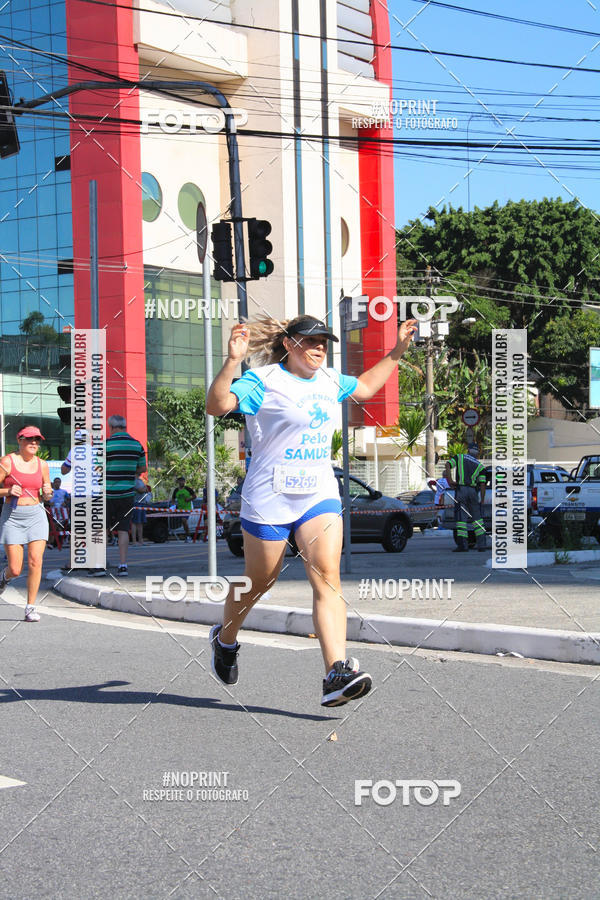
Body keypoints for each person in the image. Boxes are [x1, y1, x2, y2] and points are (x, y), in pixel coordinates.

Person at [206, 313, 417, 707]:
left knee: (327, 577)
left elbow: (368, 386)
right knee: (259, 582)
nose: (320, 347)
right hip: (270, 495)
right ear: (290, 344)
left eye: (325, 341)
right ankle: (225, 638)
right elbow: (217, 406)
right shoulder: (264, 380)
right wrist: (233, 360)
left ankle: (335, 671)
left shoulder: (329, 379)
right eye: (312, 340)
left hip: (317, 493)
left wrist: (397, 351)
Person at [0, 426, 53, 621]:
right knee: (15, 568)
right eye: (29, 439)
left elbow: (47, 493)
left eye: (37, 440)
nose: (34, 443)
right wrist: (7, 491)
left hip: (36, 515)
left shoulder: (42, 465)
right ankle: (4, 577)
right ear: (19, 440)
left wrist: (48, 493)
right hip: (13, 516)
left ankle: (30, 607)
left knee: (35, 561)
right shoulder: (7, 462)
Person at [106, 415, 147, 575]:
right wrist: (128, 471)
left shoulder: (106, 445)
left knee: (103, 529)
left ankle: (99, 564)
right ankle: (123, 565)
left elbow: (97, 468)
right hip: (127, 494)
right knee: (123, 529)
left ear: (112, 428)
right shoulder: (137, 445)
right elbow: (142, 468)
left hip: (108, 494)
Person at [444, 443, 487, 552]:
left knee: (461, 520)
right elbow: (482, 484)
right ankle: (482, 545)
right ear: (477, 452)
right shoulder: (480, 466)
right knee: (478, 520)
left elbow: (448, 465)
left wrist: (450, 481)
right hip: (473, 492)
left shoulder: (460, 457)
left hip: (461, 490)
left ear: (468, 450)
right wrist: (482, 499)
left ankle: (463, 546)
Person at [171, 476, 197, 542]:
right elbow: (173, 498)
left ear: (184, 482)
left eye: (182, 481)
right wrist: (173, 505)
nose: (181, 482)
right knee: (183, 522)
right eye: (180, 481)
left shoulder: (188, 489)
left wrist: (189, 499)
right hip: (180, 509)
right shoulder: (176, 490)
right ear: (178, 482)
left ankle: (188, 536)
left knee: (184, 520)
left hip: (187, 508)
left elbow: (195, 496)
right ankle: (186, 535)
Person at [130, 477, 150, 546]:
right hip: (136, 503)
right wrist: (144, 489)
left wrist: (144, 489)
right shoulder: (134, 480)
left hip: (142, 503)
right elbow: (140, 490)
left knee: (140, 522)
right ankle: (134, 541)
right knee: (135, 522)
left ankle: (141, 540)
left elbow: (147, 489)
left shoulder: (140, 480)